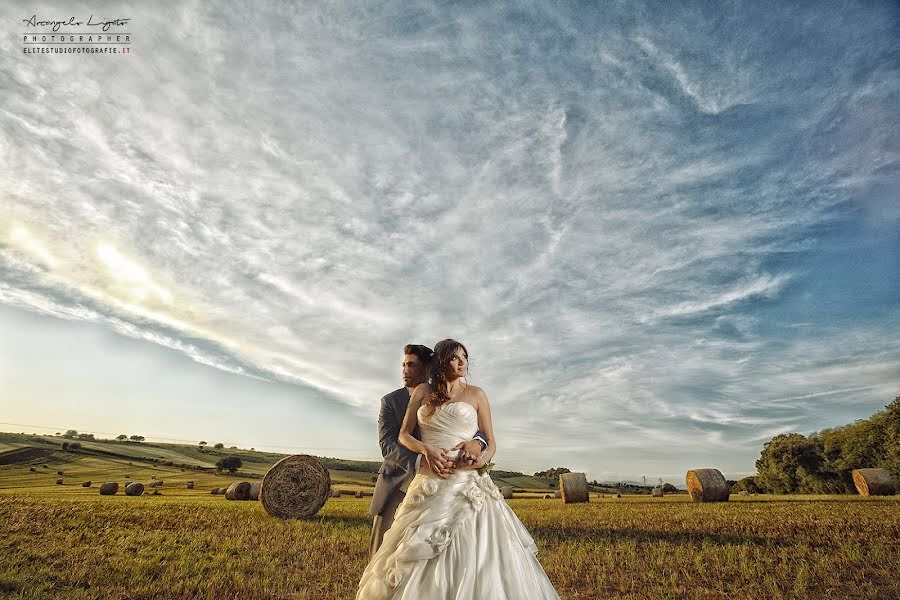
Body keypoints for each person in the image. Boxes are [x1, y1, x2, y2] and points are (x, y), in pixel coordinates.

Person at [357, 339, 560, 600]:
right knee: (405, 551)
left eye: (465, 356)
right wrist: (425, 450)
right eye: (455, 357)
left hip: (466, 484)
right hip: (428, 481)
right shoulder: (420, 392)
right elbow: (401, 437)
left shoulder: (477, 394)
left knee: (477, 551)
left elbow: (489, 439)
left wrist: (480, 454)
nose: (462, 361)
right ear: (442, 362)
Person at [369, 343, 488, 561]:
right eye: (404, 365)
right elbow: (388, 443)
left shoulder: (460, 394)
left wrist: (478, 443)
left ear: (428, 368)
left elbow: (473, 430)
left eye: (412, 365)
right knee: (385, 555)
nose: (405, 371)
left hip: (448, 480)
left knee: (448, 551)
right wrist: (421, 461)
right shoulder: (391, 401)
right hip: (399, 481)